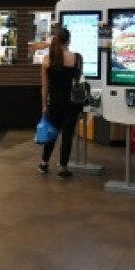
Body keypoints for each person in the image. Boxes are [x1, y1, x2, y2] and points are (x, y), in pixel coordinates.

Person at [38, 26, 84, 179]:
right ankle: (63, 168)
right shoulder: (76, 58)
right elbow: (79, 81)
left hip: (54, 102)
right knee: (67, 135)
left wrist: (44, 105)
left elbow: (44, 87)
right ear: (69, 40)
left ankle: (44, 163)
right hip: (71, 103)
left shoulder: (47, 60)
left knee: (51, 133)